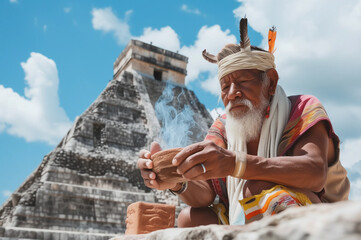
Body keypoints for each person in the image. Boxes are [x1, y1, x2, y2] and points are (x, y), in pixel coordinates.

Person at [138, 18, 350, 227]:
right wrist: (177, 181)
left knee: (258, 188)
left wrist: (236, 163)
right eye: (225, 86)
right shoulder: (222, 126)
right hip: (248, 219)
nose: (232, 94)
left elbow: (314, 173)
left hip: (324, 219)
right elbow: (204, 194)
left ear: (271, 82)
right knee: (191, 218)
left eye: (243, 82)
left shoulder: (303, 108)